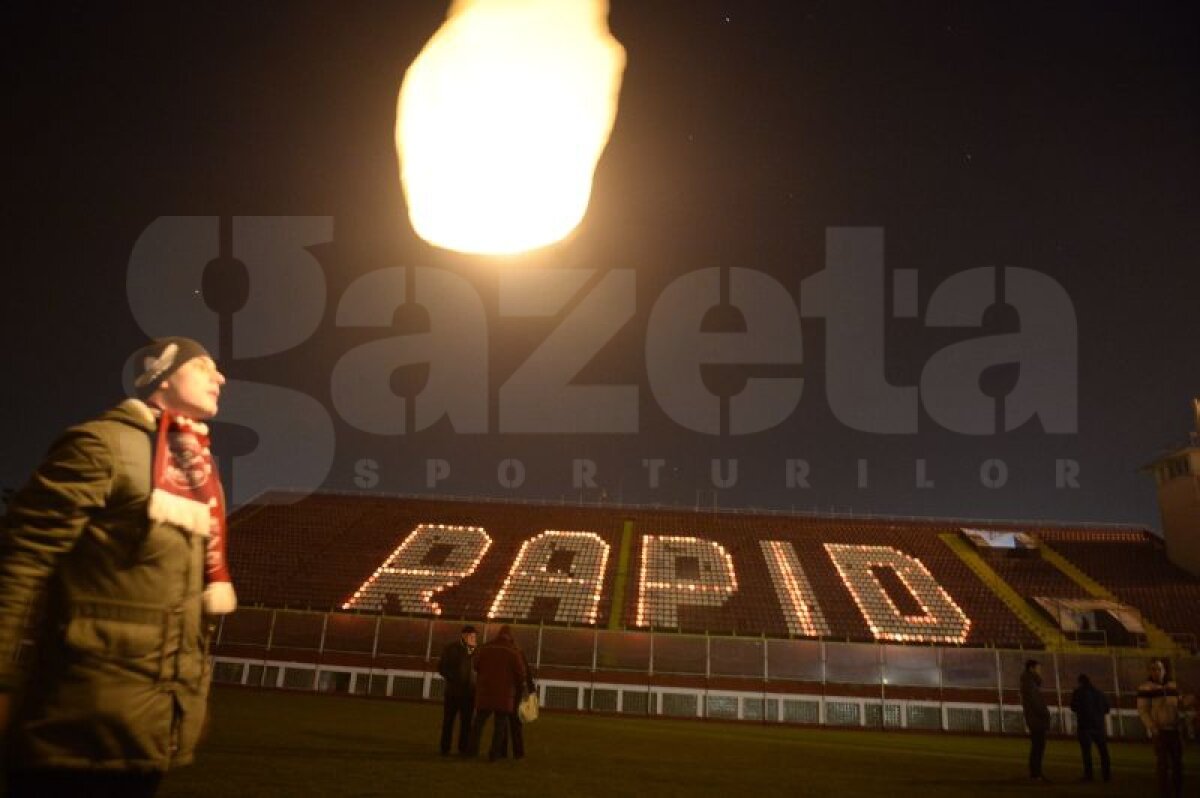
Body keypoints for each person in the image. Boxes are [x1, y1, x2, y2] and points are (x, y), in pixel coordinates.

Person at [0, 338, 235, 798]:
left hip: (146, 727)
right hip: (76, 727)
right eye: (204, 366)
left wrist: (186, 699)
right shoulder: (103, 444)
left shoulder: (196, 469)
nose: (220, 378)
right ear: (164, 376)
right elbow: (21, 562)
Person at [468, 625, 526, 761]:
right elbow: (521, 673)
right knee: (500, 726)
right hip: (504, 694)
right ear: (510, 636)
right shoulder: (513, 651)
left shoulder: (486, 647)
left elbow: (475, 665)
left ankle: (471, 751)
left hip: (485, 691)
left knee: (478, 724)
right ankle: (494, 754)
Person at [1137, 658, 1184, 798]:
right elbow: (1142, 710)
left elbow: (1179, 704)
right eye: (1153, 669)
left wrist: (1188, 701)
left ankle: (1178, 792)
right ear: (1149, 671)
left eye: (1159, 668)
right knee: (1162, 765)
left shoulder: (1173, 685)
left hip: (1175, 730)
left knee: (1178, 765)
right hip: (1160, 732)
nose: (1156, 671)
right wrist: (1153, 727)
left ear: (1164, 670)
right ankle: (1165, 793)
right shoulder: (1145, 688)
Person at [436, 624, 477, 755]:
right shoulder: (451, 649)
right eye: (471, 636)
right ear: (464, 636)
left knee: (466, 723)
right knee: (449, 722)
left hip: (469, 693)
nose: (474, 638)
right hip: (453, 692)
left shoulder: (476, 650)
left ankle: (463, 748)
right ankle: (445, 748)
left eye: (475, 636)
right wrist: (453, 678)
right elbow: (442, 667)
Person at [1069, 673, 1111, 782]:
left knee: (1086, 753)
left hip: (1084, 727)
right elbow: (1107, 709)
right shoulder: (1099, 693)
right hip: (1099, 726)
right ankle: (1106, 775)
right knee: (1103, 752)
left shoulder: (1078, 693)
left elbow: (1073, 707)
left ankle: (1089, 775)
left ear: (1080, 682)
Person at [1020, 658, 1052, 783]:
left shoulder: (1028, 682)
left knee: (1037, 747)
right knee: (1038, 747)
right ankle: (1036, 774)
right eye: (1038, 668)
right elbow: (1036, 703)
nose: (1040, 671)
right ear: (1031, 669)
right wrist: (1045, 714)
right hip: (1037, 720)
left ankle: (1036, 773)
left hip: (1034, 719)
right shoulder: (1030, 683)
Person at [507, 639, 537, 760]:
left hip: (505, 691)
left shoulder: (503, 653)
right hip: (517, 692)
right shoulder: (518, 653)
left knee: (502, 723)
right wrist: (531, 691)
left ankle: (501, 751)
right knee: (516, 724)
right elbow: (526, 673)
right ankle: (518, 752)